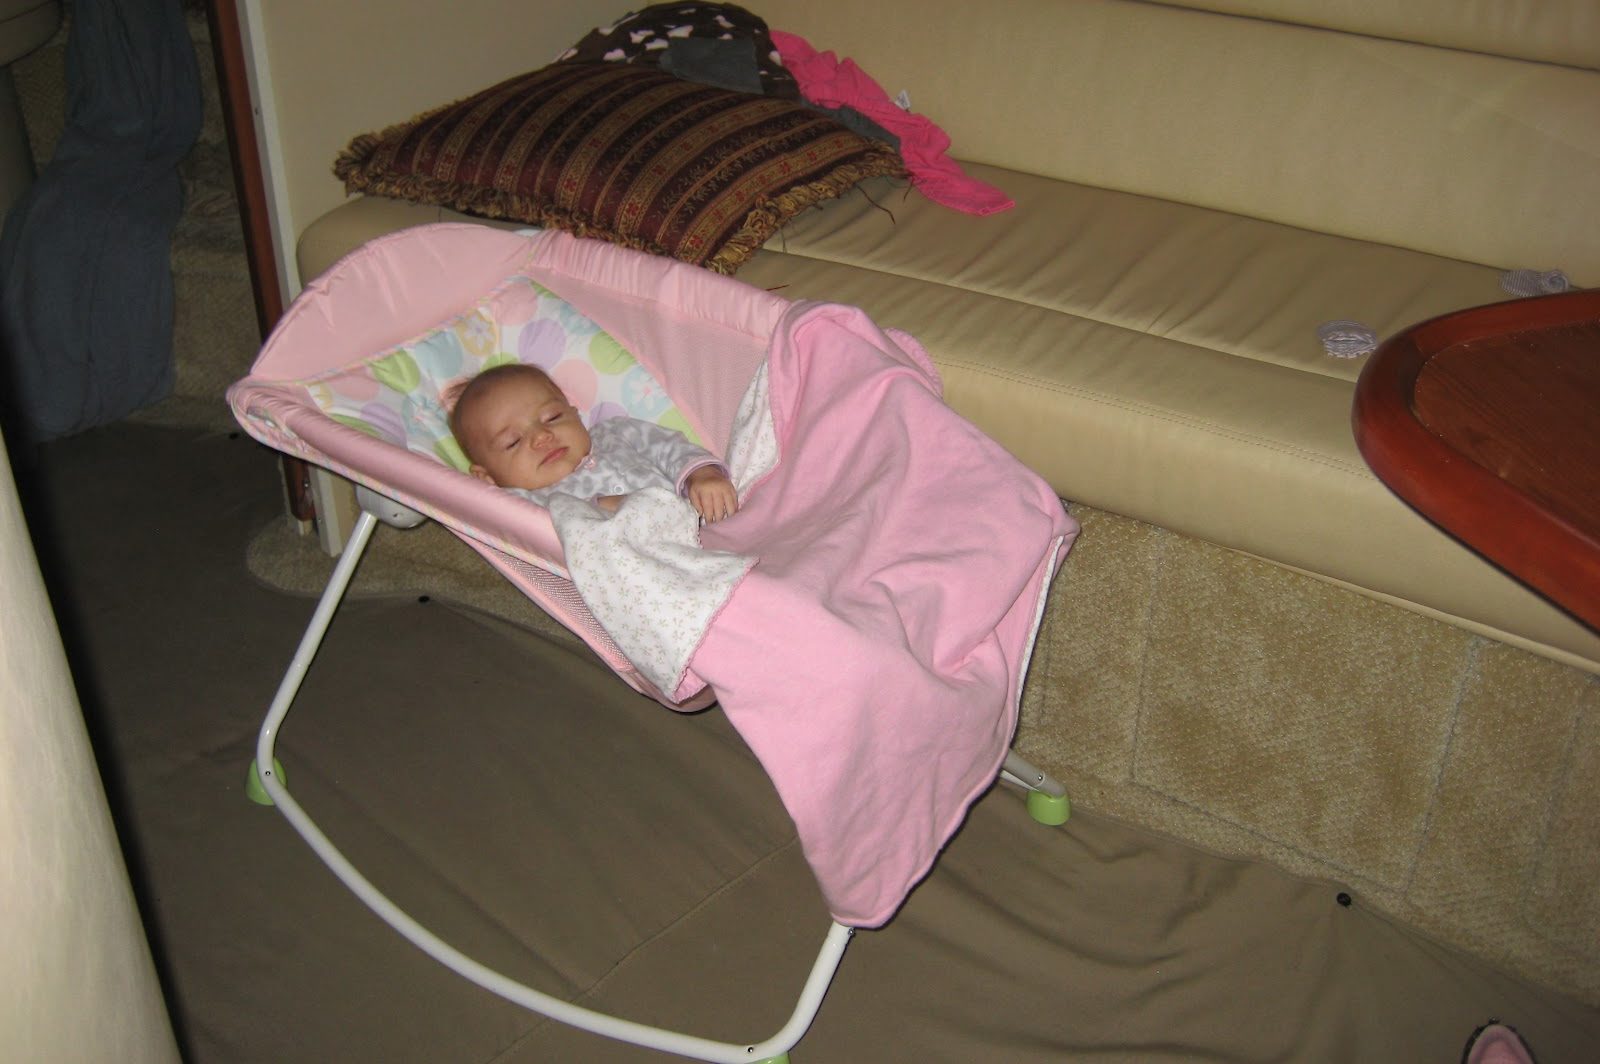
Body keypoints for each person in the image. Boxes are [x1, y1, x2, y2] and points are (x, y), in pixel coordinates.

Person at [448, 363, 739, 522]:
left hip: (707, 522)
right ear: (486, 477)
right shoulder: (527, 504)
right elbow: (562, 531)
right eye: (513, 442)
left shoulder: (614, 433)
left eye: (552, 417)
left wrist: (703, 475)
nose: (541, 436)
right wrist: (599, 507)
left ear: (574, 414)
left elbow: (669, 446)